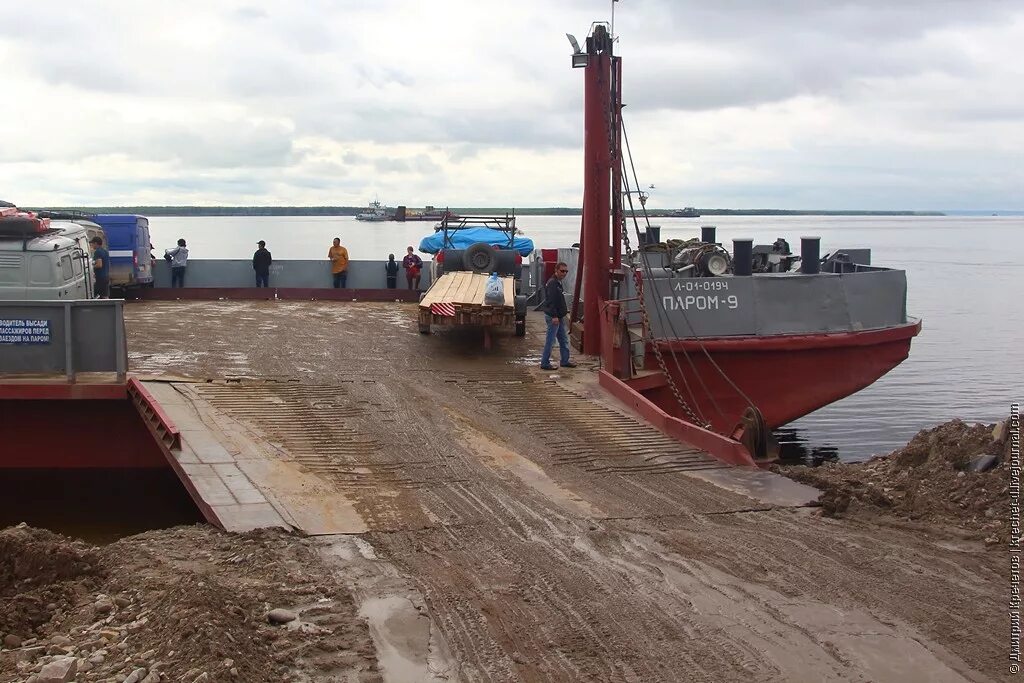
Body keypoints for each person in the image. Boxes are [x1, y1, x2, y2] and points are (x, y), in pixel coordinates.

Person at [541, 262, 576, 370]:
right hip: (554, 317)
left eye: (566, 271)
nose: (564, 273)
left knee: (564, 339)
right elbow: (551, 301)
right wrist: (554, 316)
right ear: (556, 270)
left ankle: (565, 361)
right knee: (551, 341)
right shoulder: (552, 283)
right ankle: (545, 363)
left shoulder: (557, 283)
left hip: (559, 317)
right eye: (562, 271)